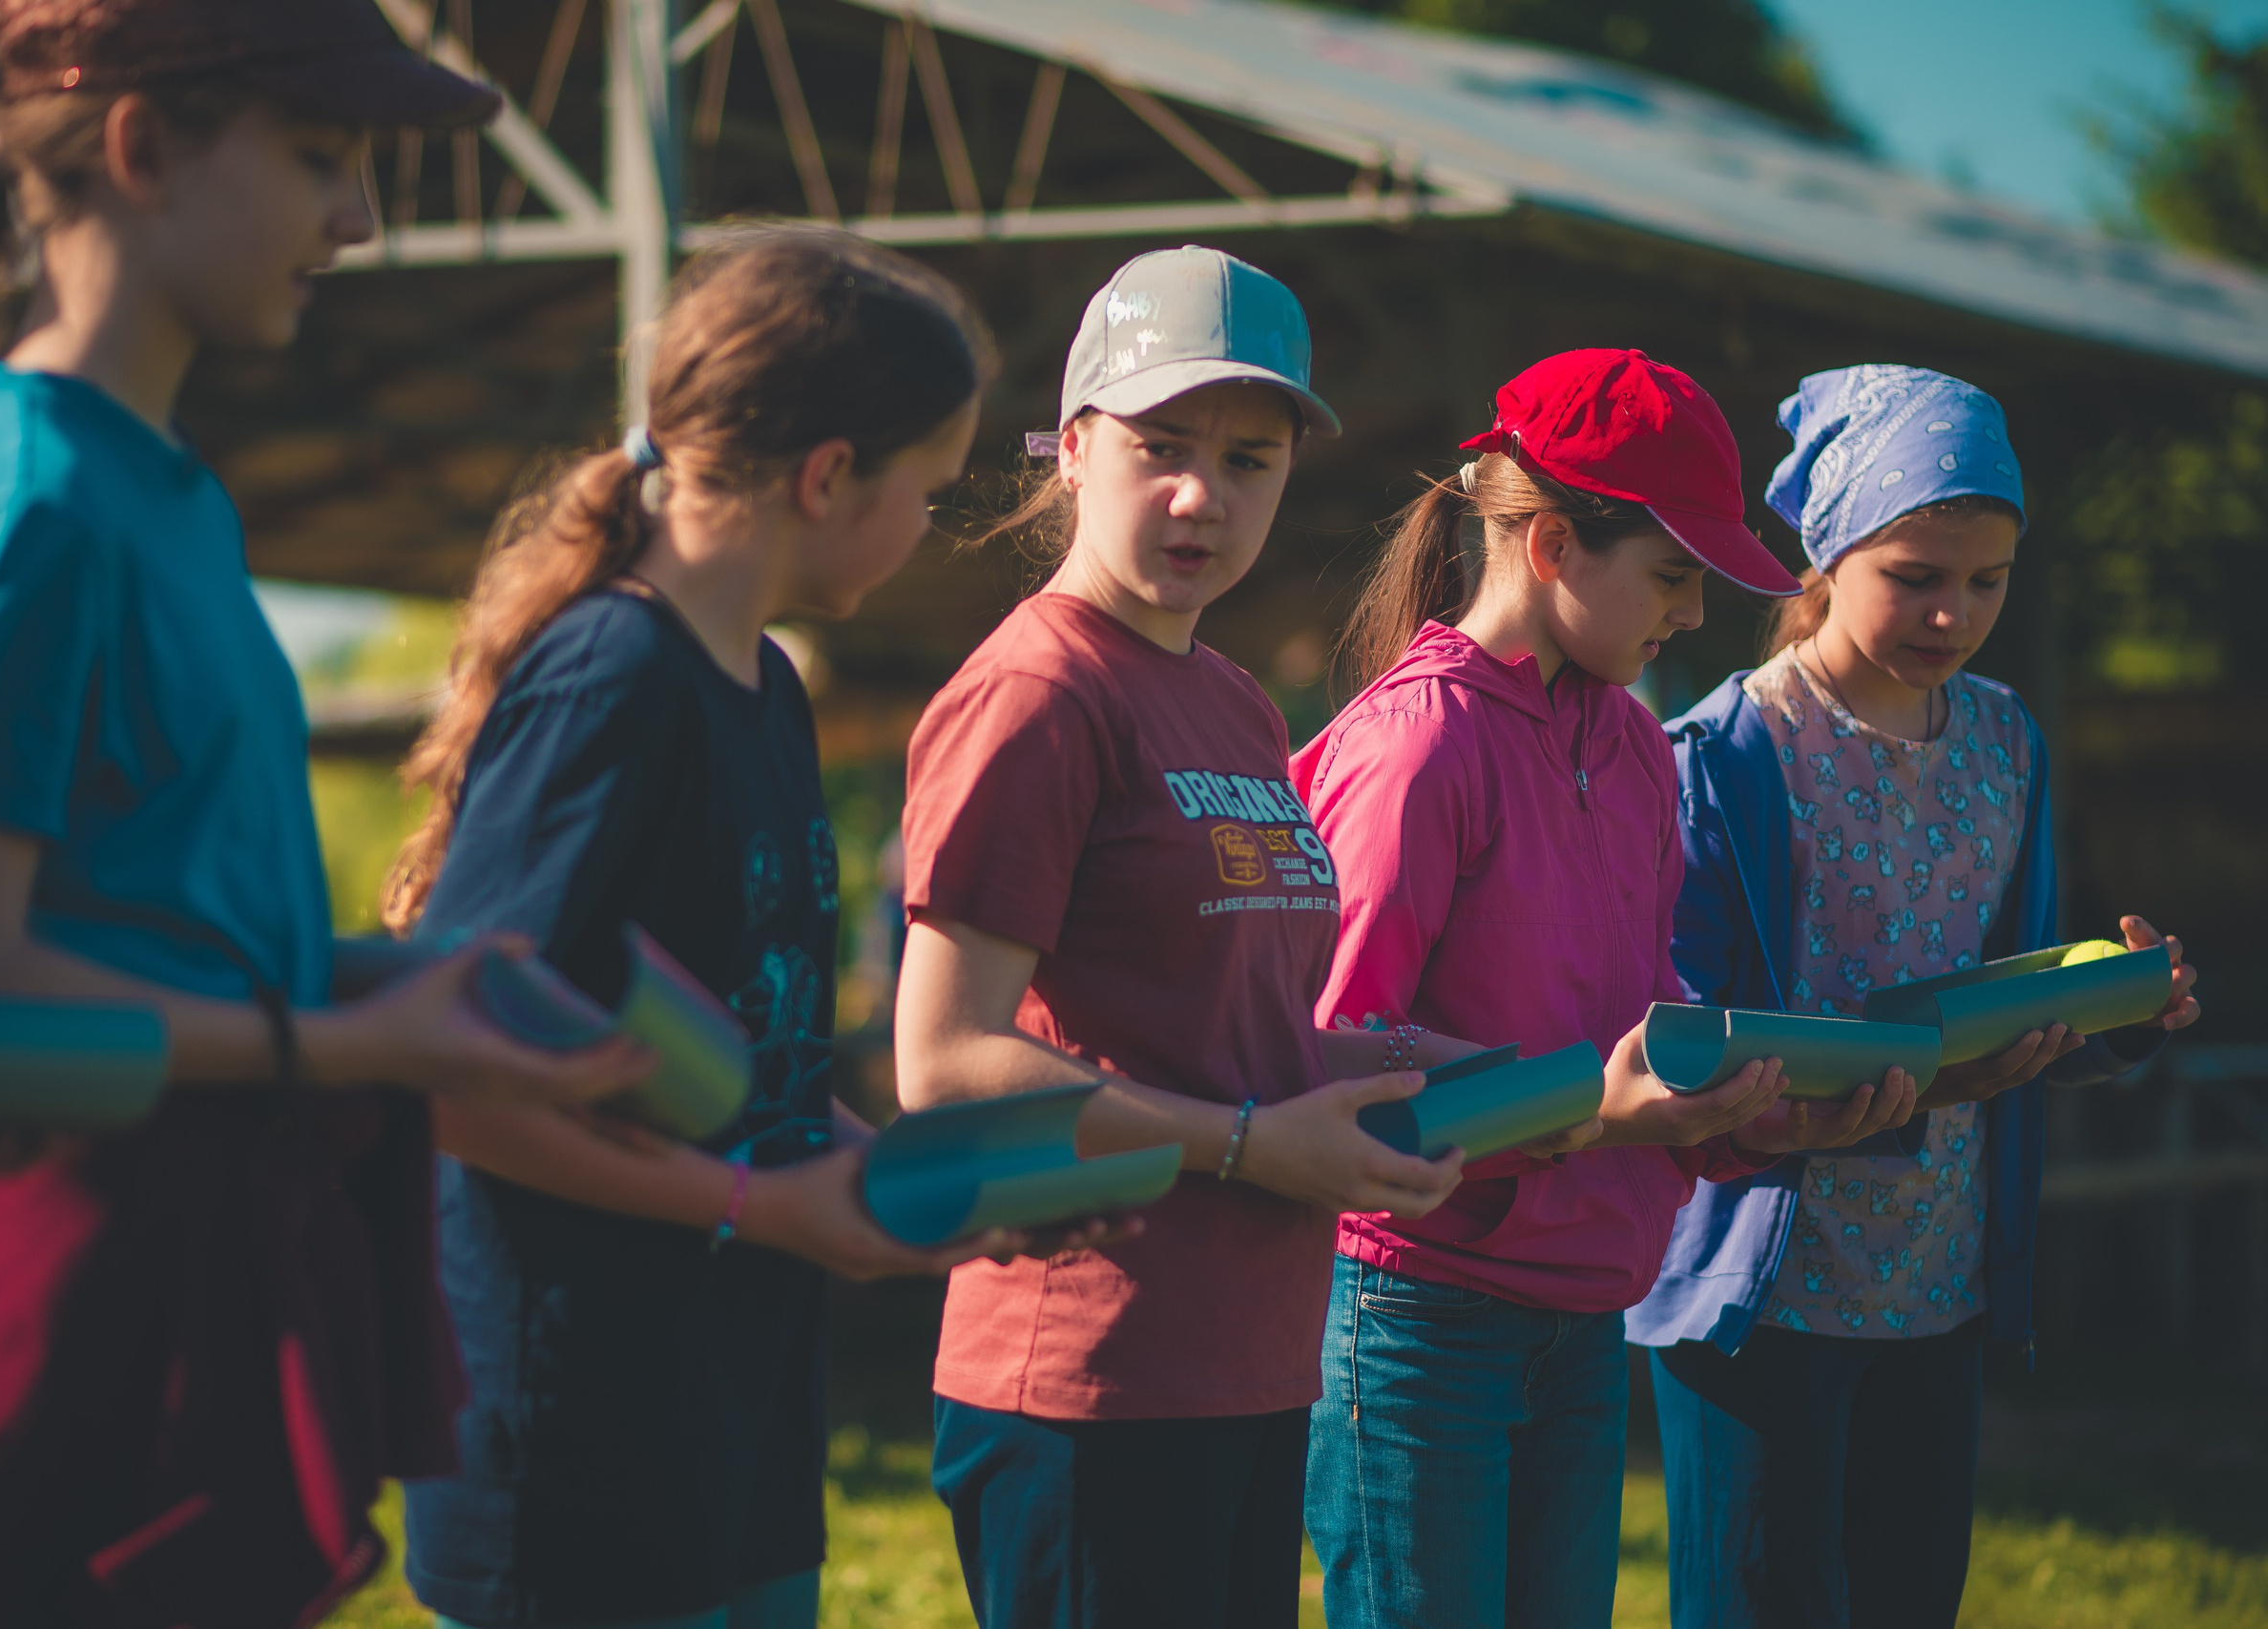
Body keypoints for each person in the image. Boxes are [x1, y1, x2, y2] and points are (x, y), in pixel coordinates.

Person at [0, 3, 655, 1623]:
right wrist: (349, 1043)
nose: (361, 220)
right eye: (323, 158)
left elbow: (146, 921)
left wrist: (397, 982)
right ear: (143, 148)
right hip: (38, 1359)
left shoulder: (158, 485)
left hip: (154, 1315)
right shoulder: (34, 499)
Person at [385, 227, 1067, 1629]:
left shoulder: (767, 686)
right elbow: (451, 1086)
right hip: (573, 1452)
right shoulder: (611, 678)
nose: (929, 526)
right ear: (828, 477)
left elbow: (755, 1058)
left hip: (731, 1427)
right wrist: (763, 1206)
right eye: (927, 489)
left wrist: (895, 1180)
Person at [891, 245, 1488, 1629]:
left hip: (1247, 1362)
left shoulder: (1232, 703)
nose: (1200, 495)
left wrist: (1436, 1073)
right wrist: (1248, 1146)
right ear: (1073, 448)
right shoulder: (1040, 692)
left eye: (1247, 460)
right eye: (1160, 446)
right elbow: (945, 1061)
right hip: (1089, 1375)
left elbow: (1234, 1038)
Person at [1295, 349, 1925, 1629]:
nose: (1690, 617)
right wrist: (1589, 1105)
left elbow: (1644, 1040)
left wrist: (1763, 1119)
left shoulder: (1636, 745)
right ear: (1550, 546)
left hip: (1584, 1318)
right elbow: (1335, 1058)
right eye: (1673, 576)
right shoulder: (1418, 747)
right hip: (1417, 1317)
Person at [1629, 364, 2201, 1629]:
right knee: (1760, 1602)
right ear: (1827, 556)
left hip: (1939, 1277)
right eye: (1916, 576)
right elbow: (1678, 1026)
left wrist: (2117, 1013)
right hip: (1760, 1287)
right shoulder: (1724, 755)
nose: (1955, 613)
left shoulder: (2008, 740)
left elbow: (2017, 984)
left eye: (1989, 581)